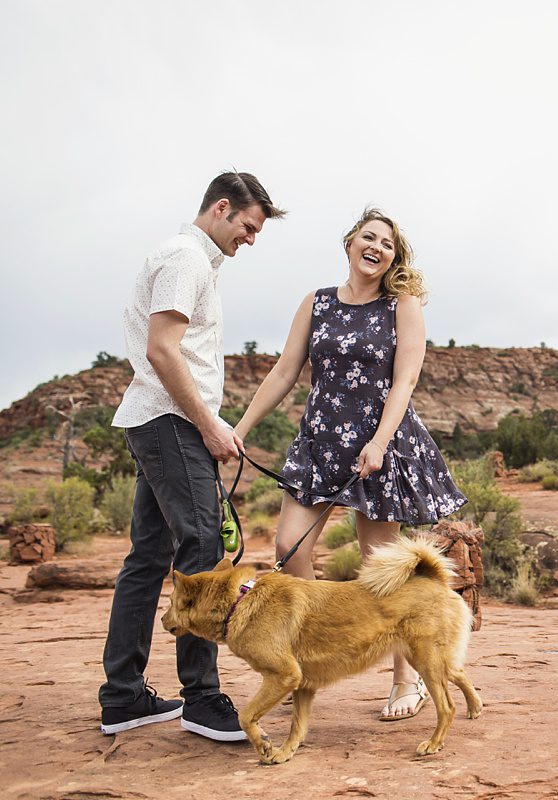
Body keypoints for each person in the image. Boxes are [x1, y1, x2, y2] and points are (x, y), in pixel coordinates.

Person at [234, 207, 466, 722]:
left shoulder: (401, 305)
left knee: (380, 570)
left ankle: (406, 677)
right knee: (287, 547)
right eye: (369, 237)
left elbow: (404, 380)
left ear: (392, 257)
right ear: (349, 242)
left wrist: (381, 442)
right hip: (319, 442)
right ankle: (307, 662)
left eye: (387, 244)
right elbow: (283, 372)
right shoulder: (316, 303)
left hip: (378, 444)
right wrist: (240, 429)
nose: (377, 247)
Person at [100, 172, 285, 740]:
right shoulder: (185, 259)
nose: (251, 239)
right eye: (249, 227)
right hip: (172, 424)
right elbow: (162, 349)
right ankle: (202, 699)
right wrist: (208, 426)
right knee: (203, 548)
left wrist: (213, 422)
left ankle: (124, 696)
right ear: (222, 208)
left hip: (160, 421)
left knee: (149, 558)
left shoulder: (189, 260)